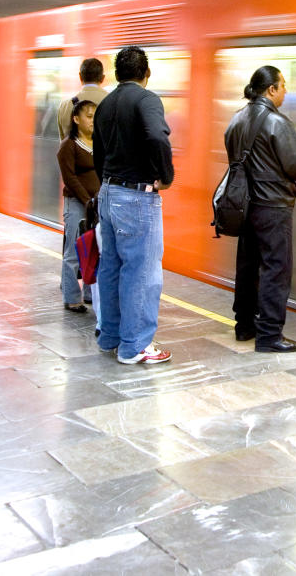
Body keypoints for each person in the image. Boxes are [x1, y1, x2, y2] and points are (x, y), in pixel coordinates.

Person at [93, 46, 174, 364]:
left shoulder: (105, 103)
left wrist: (107, 180)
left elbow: (97, 151)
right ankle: (135, 345)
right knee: (142, 271)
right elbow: (156, 136)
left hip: (108, 192)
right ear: (147, 73)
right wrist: (165, 175)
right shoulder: (147, 99)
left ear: (116, 74)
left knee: (111, 268)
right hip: (137, 196)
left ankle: (111, 337)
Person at [225, 66, 296, 353]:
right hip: (273, 206)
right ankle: (270, 334)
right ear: (271, 89)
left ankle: (244, 326)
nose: (286, 91)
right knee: (276, 267)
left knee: (248, 266)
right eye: (283, 86)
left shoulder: (236, 119)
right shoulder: (276, 122)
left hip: (244, 206)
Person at [57, 99, 100, 313]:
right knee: (74, 250)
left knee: (93, 249)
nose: (93, 121)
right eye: (89, 116)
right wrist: (87, 201)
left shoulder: (99, 143)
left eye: (95, 116)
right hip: (77, 203)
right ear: (76, 119)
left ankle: (91, 293)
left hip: (96, 205)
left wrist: (98, 200)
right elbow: (70, 179)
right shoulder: (68, 146)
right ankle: (72, 297)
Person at [57, 58, 107, 140]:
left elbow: (63, 144)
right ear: (102, 78)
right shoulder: (113, 101)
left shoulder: (64, 106)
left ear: (80, 76)